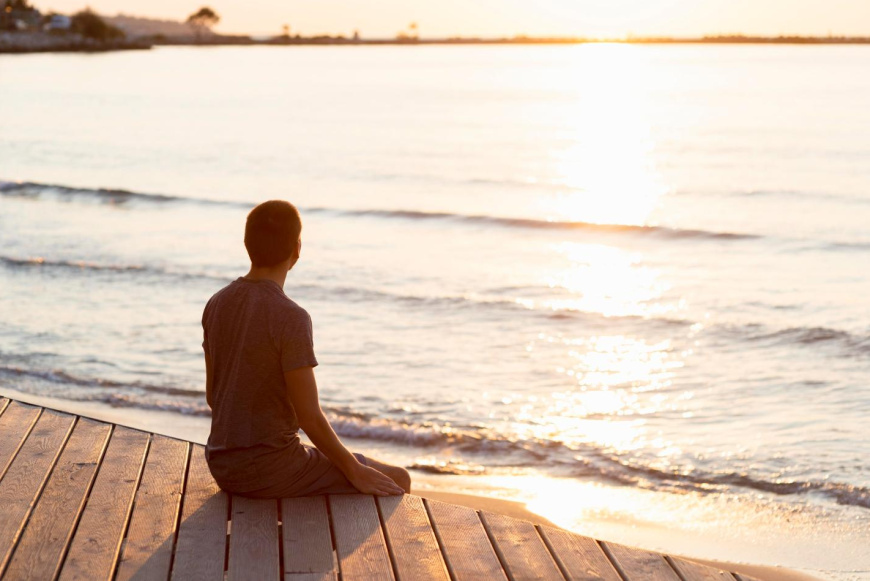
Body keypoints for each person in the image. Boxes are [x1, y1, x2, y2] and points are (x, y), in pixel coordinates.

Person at [201, 200, 410, 498]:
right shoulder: (291, 317)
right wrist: (354, 470)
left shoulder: (217, 303)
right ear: (297, 249)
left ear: (247, 244)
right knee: (397, 479)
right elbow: (308, 417)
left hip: (221, 465)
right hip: (271, 471)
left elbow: (213, 397)